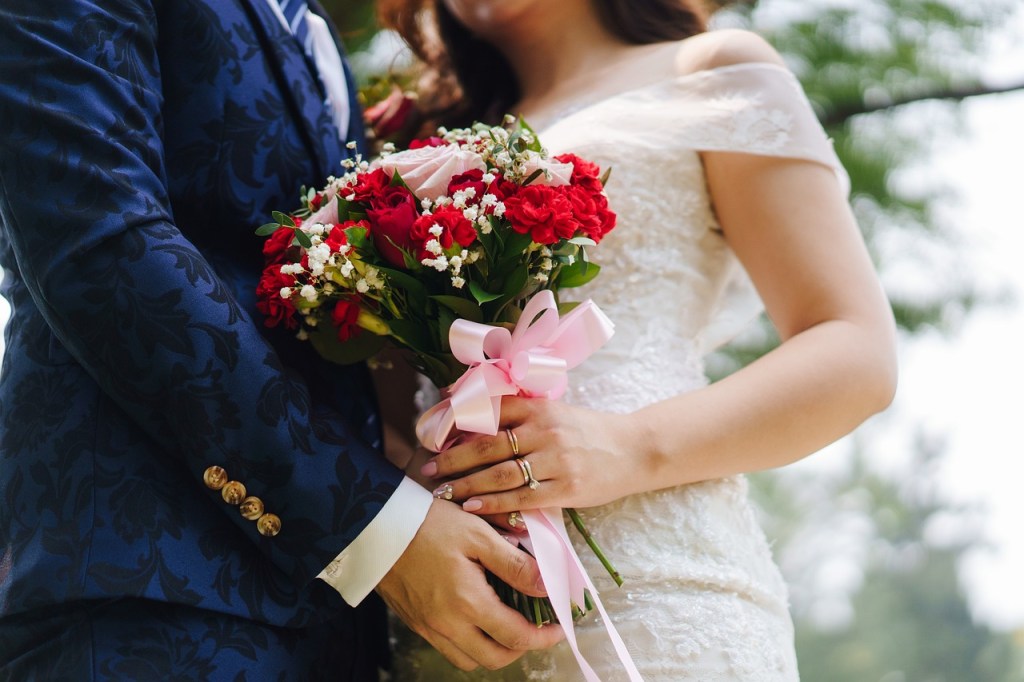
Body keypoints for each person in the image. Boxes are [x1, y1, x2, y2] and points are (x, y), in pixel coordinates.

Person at [0, 1, 562, 679]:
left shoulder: (305, 22)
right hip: (153, 595)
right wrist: (371, 523)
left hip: (340, 620)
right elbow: (99, 242)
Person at [379, 0, 899, 679]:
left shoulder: (711, 68)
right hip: (452, 619)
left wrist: (630, 446)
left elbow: (856, 351)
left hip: (660, 600)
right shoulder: (402, 146)